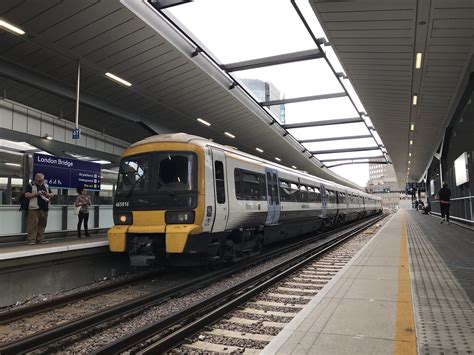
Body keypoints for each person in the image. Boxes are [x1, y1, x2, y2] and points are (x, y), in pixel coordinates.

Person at [24, 173, 53, 244]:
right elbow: (26, 195)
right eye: (39, 180)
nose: (40, 182)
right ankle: (31, 239)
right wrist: (36, 194)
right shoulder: (31, 185)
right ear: (35, 179)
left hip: (44, 208)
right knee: (33, 224)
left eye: (42, 180)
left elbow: (52, 194)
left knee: (42, 224)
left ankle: (40, 239)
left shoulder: (46, 185)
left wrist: (46, 194)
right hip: (34, 208)